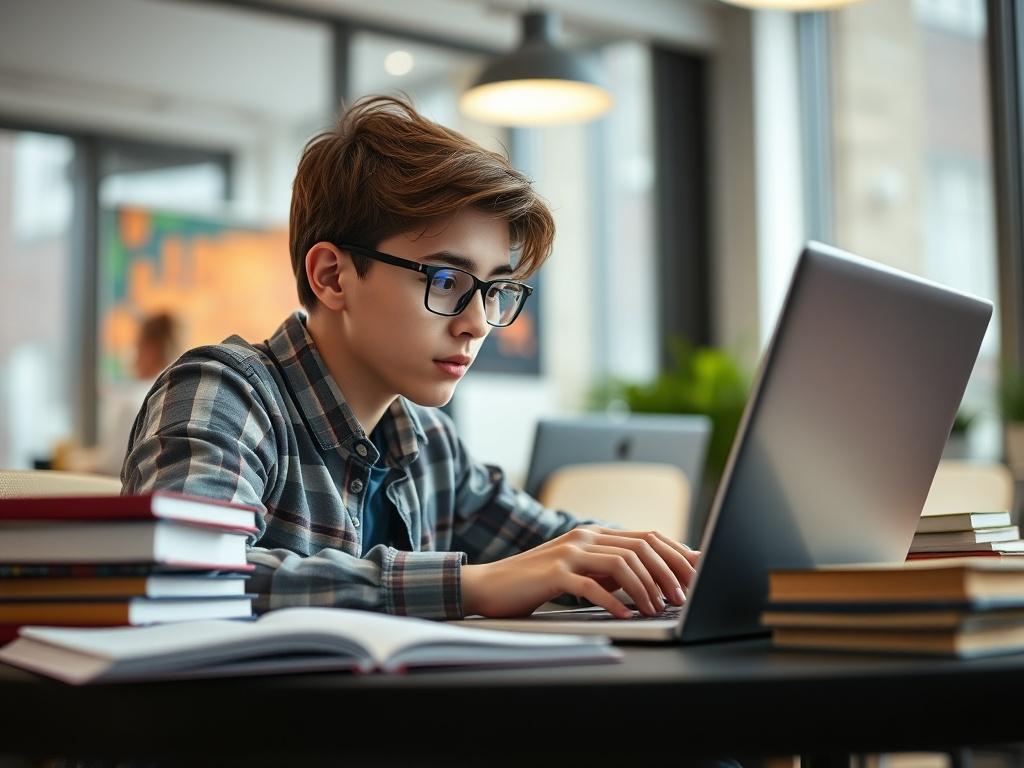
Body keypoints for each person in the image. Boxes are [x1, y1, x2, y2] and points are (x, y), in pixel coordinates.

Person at [121, 95, 700, 620]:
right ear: (332, 276)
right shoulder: (226, 391)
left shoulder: (429, 444)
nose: (477, 323)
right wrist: (467, 585)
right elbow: (185, 577)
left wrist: (677, 567)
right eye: (447, 280)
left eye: (494, 288)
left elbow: (561, 550)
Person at [62, 311, 182, 477]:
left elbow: (113, 464)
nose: (133, 357)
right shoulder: (179, 394)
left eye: (137, 347)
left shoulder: (137, 401)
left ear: (150, 350)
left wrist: (72, 462)